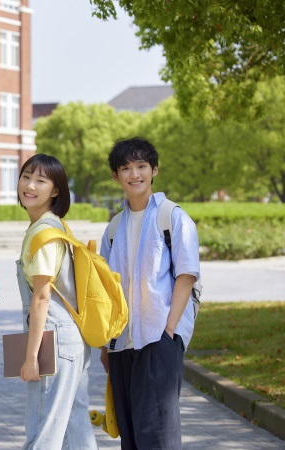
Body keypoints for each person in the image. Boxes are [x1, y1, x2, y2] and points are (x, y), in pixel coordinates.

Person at [99, 137, 201, 450]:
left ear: (154, 169)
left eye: (141, 166)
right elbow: (106, 288)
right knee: (129, 433)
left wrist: (169, 331)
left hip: (160, 336)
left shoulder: (172, 217)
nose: (134, 174)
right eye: (126, 168)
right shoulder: (114, 226)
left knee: (158, 433)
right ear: (116, 176)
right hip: (121, 341)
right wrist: (106, 344)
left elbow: (186, 275)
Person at [16, 154, 97, 450]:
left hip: (54, 339)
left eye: (41, 180)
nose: (30, 185)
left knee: (43, 431)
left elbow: (41, 296)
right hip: (71, 339)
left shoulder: (44, 232)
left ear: (56, 190)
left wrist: (31, 355)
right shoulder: (56, 226)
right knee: (76, 429)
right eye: (26, 176)